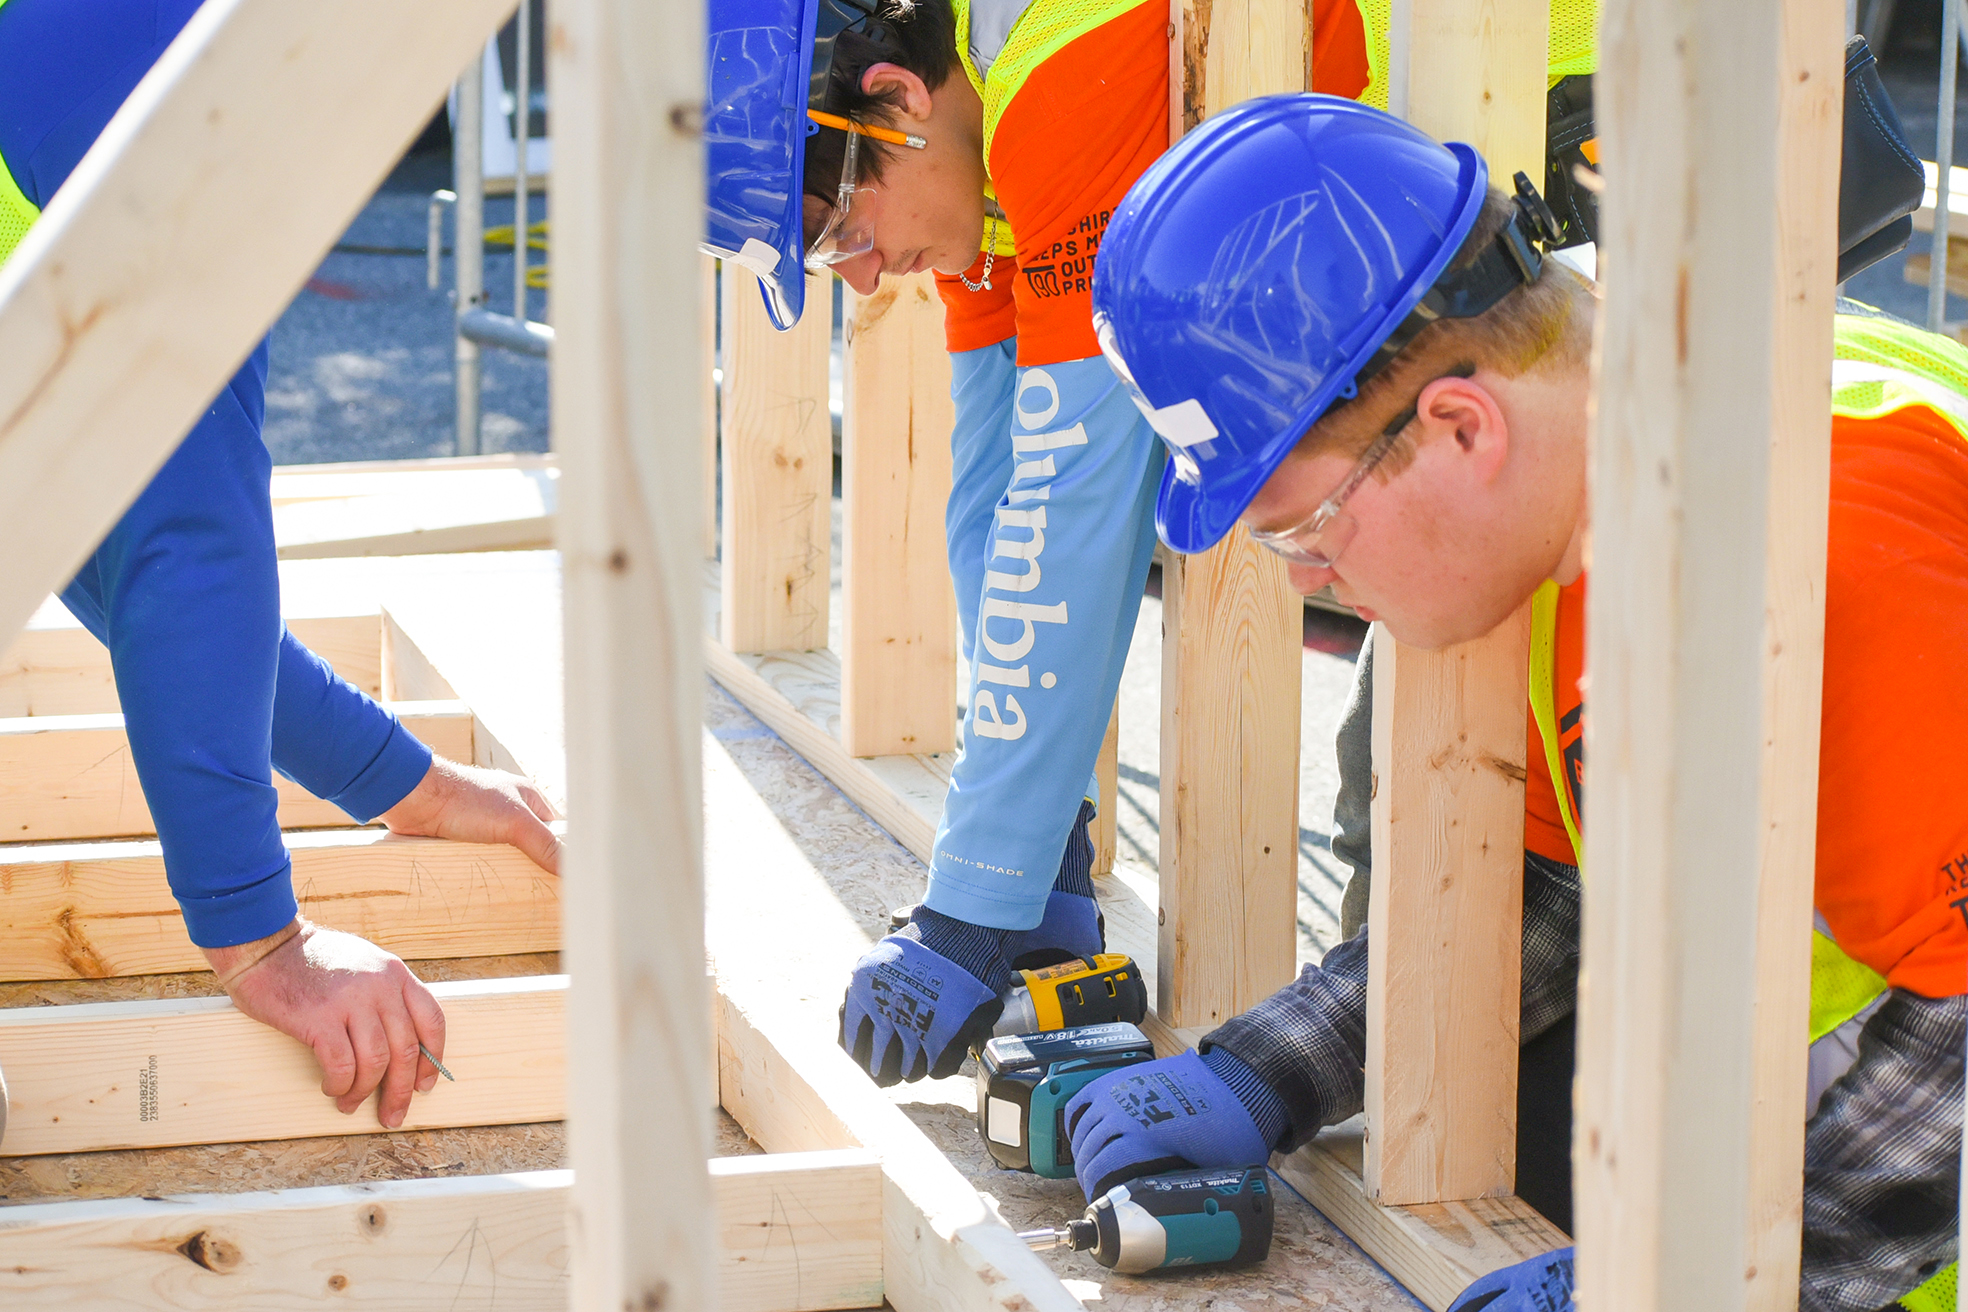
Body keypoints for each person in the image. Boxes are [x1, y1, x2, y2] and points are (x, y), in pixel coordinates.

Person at [1060, 94, 1967, 1311]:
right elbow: (1545, 895)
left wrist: (1696, 1283)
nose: (1313, 579)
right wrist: (1270, 1073)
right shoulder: (1593, 495)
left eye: (1304, 531)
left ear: (1461, 427)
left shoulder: (1811, 561)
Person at [704, 0, 1608, 1087]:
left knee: (1468, 751)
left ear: (894, 98)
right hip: (1463, 125)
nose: (855, 272)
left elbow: (1075, 495)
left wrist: (977, 897)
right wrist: (1043, 844)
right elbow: (994, 490)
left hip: (1606, 84)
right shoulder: (966, 129)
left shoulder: (1062, 75)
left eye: (835, 227)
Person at [0, 0, 562, 1138]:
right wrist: (267, 946)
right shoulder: (185, 71)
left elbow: (96, 542)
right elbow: (183, 542)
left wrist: (406, 782)